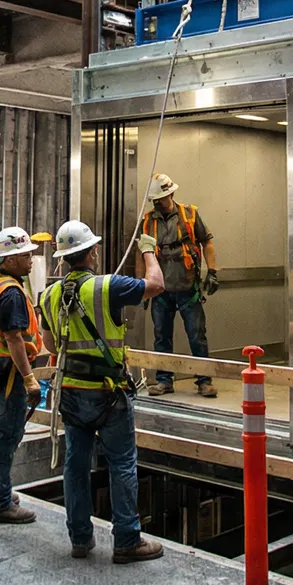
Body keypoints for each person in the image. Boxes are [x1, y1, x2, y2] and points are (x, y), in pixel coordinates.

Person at [41, 220, 166, 563]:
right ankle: (127, 540)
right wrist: (148, 250)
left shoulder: (49, 294)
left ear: (64, 258)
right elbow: (156, 284)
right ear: (93, 252)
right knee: (122, 463)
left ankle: (80, 539)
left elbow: (50, 343)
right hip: (108, 394)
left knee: (75, 465)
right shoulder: (107, 287)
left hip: (69, 392)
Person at [0, 226, 44, 524]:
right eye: (25, 255)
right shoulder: (12, 293)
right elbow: (14, 338)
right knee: (7, 435)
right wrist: (29, 379)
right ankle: (0, 502)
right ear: (10, 260)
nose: (30, 260)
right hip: (9, 373)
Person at [140, 174, 219, 397]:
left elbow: (207, 242)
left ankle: (204, 381)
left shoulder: (190, 214)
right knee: (161, 336)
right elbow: (142, 255)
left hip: (188, 288)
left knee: (196, 335)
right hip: (160, 291)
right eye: (154, 200)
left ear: (171, 194)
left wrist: (212, 271)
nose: (157, 203)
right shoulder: (148, 221)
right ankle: (164, 380)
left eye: (161, 199)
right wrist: (142, 287)